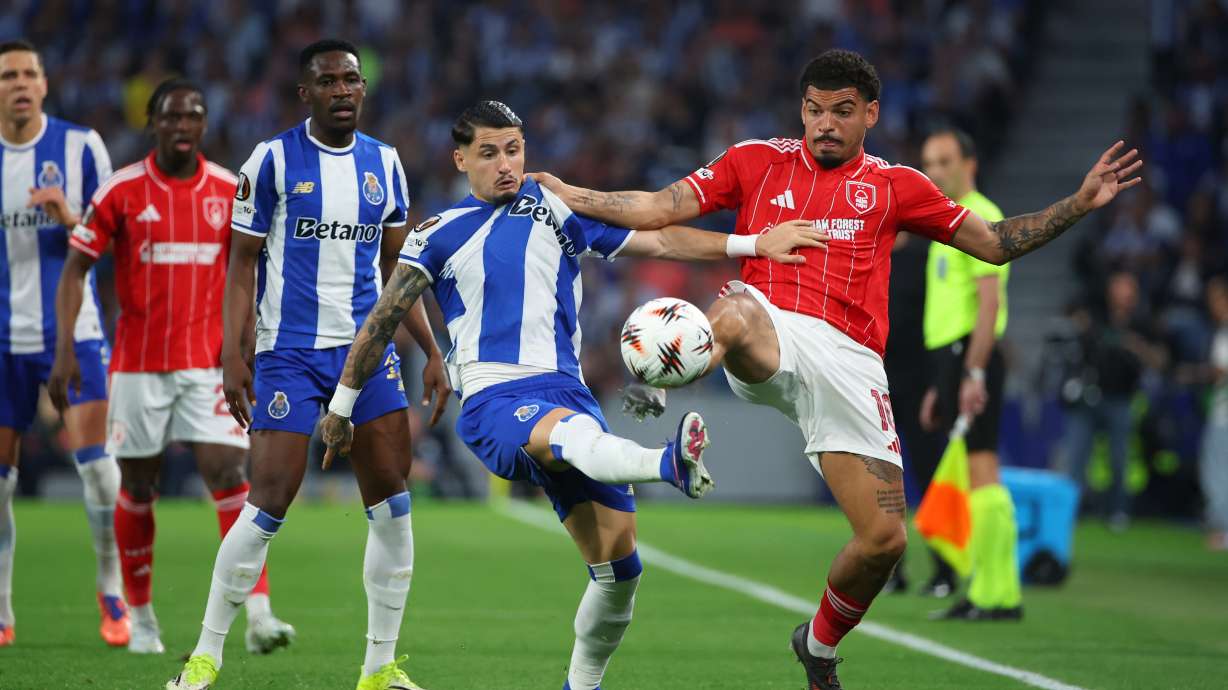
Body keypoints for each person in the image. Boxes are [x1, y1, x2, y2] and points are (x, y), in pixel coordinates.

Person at [531, 48, 1141, 689]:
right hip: (769, 325)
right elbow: (659, 207)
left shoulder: (895, 185)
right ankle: (663, 377)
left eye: (842, 111)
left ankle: (818, 647)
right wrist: (576, 196)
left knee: (884, 540)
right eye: (815, 110)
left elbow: (992, 244)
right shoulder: (756, 162)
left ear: (870, 114)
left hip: (851, 362)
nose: (825, 123)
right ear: (802, 109)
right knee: (736, 311)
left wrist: (1077, 203)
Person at [317, 100, 825, 690]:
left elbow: (659, 244)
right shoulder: (436, 235)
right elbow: (383, 317)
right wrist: (341, 407)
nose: (505, 164)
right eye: (488, 153)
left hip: (567, 389)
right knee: (573, 436)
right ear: (460, 159)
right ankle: (666, 462)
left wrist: (754, 244)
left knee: (619, 570)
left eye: (514, 150)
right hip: (494, 399)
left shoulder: (554, 208)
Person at [168, 39, 449, 690]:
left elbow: (398, 273)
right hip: (287, 354)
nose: (344, 90)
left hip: (366, 354)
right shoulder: (269, 162)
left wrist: (433, 351)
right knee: (267, 501)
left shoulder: (386, 165)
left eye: (352, 80)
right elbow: (240, 263)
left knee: (392, 504)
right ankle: (206, 655)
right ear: (306, 94)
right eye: (329, 82)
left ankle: (379, 668)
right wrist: (233, 353)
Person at [50, 78, 294, 655]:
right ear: (154, 123)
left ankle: (258, 613)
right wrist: (65, 347)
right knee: (138, 486)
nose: (182, 126)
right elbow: (75, 270)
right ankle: (142, 620)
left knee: (232, 477)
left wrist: (248, 344)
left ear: (203, 124)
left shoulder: (229, 190)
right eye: (171, 117)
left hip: (207, 367)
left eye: (193, 117)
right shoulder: (122, 190)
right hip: (136, 367)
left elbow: (251, 271)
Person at [0, 39, 125, 649]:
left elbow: (113, 241)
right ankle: (1, 611)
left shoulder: (80, 147)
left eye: (29, 73)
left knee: (99, 475)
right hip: (3, 340)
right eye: (8, 76)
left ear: (45, 84)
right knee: (1, 483)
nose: (20, 84)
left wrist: (69, 218)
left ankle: (111, 591)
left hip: (74, 332)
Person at [916, 128, 1020, 620]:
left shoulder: (982, 216)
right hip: (953, 360)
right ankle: (990, 588)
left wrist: (973, 372)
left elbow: (989, 305)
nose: (933, 172)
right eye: (928, 163)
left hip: (970, 356)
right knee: (978, 470)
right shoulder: (948, 221)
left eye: (943, 161)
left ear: (969, 163)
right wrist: (943, 382)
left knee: (983, 470)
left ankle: (996, 593)